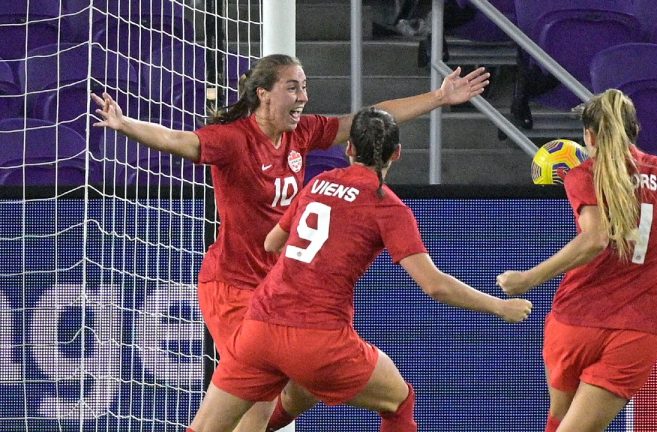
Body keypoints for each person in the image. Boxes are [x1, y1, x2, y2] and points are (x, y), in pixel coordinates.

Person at [91, 54, 490, 431]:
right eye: (293, 88)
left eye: (305, 87)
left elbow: (364, 120)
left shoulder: (301, 134)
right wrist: (127, 126)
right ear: (263, 93)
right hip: (231, 286)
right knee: (258, 398)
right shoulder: (234, 139)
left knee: (301, 386)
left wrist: (439, 97)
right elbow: (181, 141)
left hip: (276, 289)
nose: (303, 97)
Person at [187, 107, 533, 432]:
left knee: (208, 426)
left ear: (349, 148)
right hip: (318, 335)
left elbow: (271, 243)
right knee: (399, 401)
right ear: (397, 153)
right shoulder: (388, 207)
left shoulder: (316, 184)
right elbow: (435, 286)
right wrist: (499, 306)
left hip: (259, 326)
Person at [496, 89, 657, 432]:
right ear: (635, 130)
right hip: (639, 327)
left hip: (574, 323)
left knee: (559, 422)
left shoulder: (583, 174)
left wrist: (528, 279)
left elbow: (595, 238)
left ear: (589, 136)